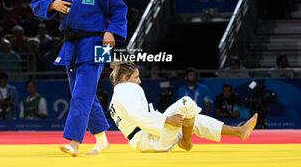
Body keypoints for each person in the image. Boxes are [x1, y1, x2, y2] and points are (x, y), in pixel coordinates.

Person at [30, 0, 127, 157]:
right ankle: (102, 140)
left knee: (81, 94)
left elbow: (119, 9)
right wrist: (51, 4)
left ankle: (74, 142)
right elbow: (36, 5)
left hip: (98, 43)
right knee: (83, 94)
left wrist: (111, 31)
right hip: (71, 45)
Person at [109, 61, 258, 152]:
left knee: (193, 119)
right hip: (149, 140)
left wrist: (167, 120)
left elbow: (139, 117)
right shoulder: (126, 89)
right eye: (136, 77)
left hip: (148, 139)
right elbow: (139, 116)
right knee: (187, 103)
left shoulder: (119, 94)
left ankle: (239, 131)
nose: (139, 81)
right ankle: (186, 142)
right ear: (125, 78)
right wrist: (167, 120)